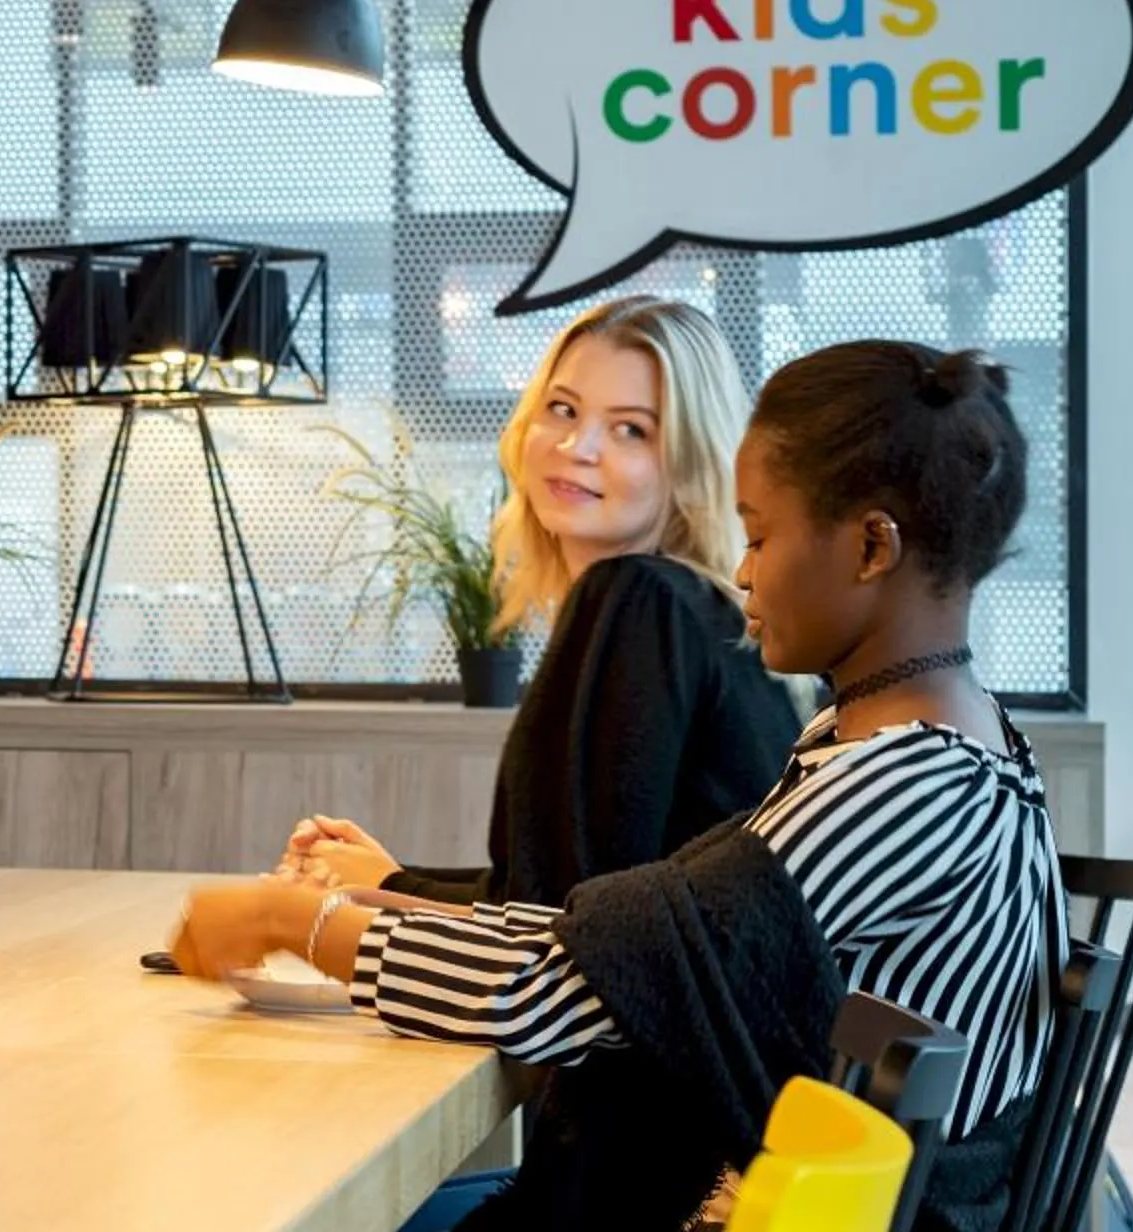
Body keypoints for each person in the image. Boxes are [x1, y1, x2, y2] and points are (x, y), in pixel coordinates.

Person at [175, 343, 1060, 1232]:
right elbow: (622, 932)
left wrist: (300, 924)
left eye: (759, 533)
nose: (741, 567)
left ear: (869, 548)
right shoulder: (937, 736)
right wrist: (393, 906)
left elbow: (552, 989)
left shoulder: (894, 784)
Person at [283, 296, 796, 907]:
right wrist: (377, 878)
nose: (578, 446)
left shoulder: (641, 598)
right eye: (562, 409)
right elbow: (570, 897)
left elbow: (552, 929)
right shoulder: (700, 613)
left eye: (630, 428)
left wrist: (374, 892)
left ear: (687, 463)